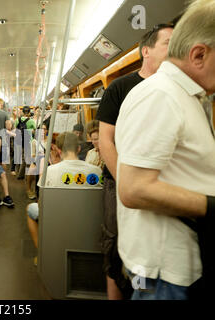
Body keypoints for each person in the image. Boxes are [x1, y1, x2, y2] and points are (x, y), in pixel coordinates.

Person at [115, 0, 215, 300]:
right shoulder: (161, 95)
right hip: (162, 273)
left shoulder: (187, 97)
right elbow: (133, 189)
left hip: (176, 266)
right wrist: (211, 206)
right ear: (199, 54)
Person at [95, 21, 174, 300]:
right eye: (168, 44)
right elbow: (106, 140)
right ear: (146, 52)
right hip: (119, 181)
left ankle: (141, 293)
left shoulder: (175, 91)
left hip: (160, 184)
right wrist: (126, 182)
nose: (175, 50)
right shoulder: (119, 87)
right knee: (115, 245)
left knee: (148, 251)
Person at [26, 132, 102, 265]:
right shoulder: (96, 171)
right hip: (87, 220)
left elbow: (42, 201)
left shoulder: (50, 172)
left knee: (30, 209)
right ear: (78, 149)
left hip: (58, 219)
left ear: (59, 150)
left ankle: (42, 252)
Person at [14, 106, 36, 179]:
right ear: (29, 112)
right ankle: (22, 175)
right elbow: (34, 131)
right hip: (28, 141)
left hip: (19, 140)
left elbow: (15, 130)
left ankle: (18, 172)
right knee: (26, 159)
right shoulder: (32, 121)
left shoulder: (17, 120)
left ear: (22, 112)